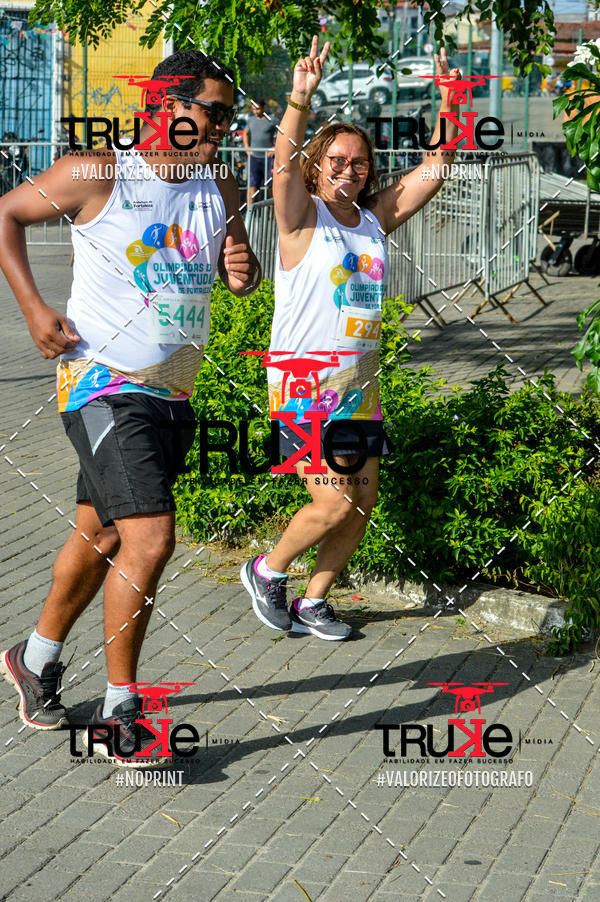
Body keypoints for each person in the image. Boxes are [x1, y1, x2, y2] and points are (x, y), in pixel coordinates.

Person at [0, 50, 261, 765]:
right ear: (166, 107)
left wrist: (243, 266)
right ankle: (121, 716)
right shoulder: (98, 174)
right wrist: (30, 306)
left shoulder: (222, 184)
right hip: (100, 383)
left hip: (173, 386)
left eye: (228, 117)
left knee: (104, 535)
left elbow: (241, 273)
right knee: (150, 539)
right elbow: (7, 214)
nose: (220, 129)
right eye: (211, 112)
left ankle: (35, 657)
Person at [241, 37, 460, 641]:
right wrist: (299, 99)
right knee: (332, 501)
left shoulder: (371, 217)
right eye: (335, 160)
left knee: (360, 503)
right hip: (305, 380)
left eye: (359, 162)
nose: (347, 169)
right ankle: (267, 569)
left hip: (359, 384)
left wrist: (449, 102)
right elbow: (283, 164)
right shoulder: (299, 215)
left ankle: (313, 601)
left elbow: (433, 170)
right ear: (317, 165)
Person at [243, 99, 278, 205]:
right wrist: (246, 147)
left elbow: (283, 133)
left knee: (271, 186)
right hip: (254, 158)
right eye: (253, 109)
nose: (255, 111)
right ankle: (250, 214)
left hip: (269, 159)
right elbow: (246, 133)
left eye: (257, 109)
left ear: (264, 108)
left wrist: (275, 147)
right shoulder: (251, 120)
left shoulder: (273, 120)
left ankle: (274, 214)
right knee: (252, 185)